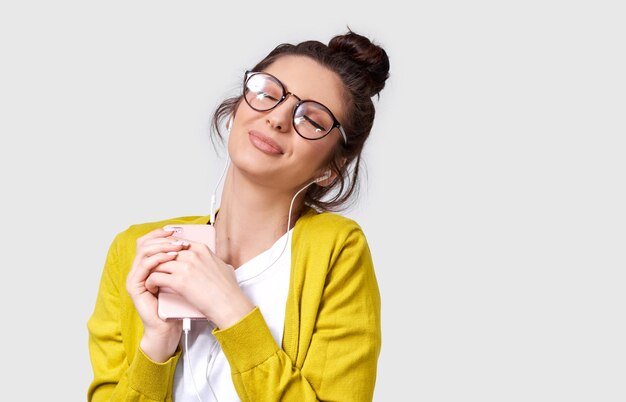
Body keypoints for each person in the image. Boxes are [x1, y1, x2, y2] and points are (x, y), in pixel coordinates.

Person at [87, 29, 390, 401]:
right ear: (235, 110)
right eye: (267, 94)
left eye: (311, 120)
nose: (277, 118)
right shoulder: (138, 251)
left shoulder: (335, 250)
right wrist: (157, 345)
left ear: (330, 169)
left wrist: (231, 310)